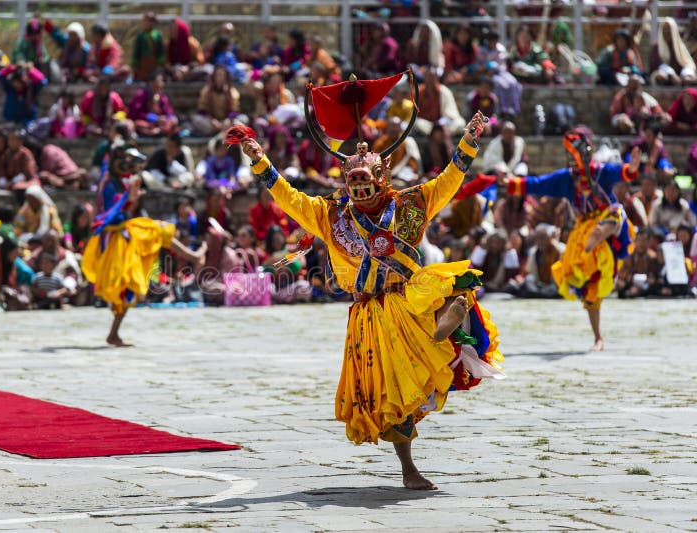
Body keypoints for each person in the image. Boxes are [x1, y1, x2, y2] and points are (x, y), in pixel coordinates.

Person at [236, 75, 502, 490]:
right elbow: (287, 196)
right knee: (395, 392)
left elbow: (448, 182)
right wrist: (259, 159)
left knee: (455, 285)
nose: (358, 188)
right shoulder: (330, 215)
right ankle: (408, 468)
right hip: (372, 315)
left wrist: (467, 142)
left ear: (381, 177)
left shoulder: (409, 203)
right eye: (352, 182)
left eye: (365, 180)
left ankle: (445, 326)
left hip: (408, 297)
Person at [502, 128, 642, 351]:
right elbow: (538, 183)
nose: (573, 159)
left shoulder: (601, 172)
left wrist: (632, 168)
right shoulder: (567, 179)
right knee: (589, 286)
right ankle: (598, 338)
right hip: (584, 229)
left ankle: (598, 237)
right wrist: (512, 182)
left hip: (610, 220)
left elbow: (622, 172)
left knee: (613, 216)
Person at [81, 142, 206, 346]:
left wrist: (132, 198)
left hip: (125, 233)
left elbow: (124, 211)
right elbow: (109, 216)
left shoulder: (120, 182)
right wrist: (128, 200)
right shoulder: (109, 184)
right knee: (128, 284)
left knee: (157, 230)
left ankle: (193, 256)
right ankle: (114, 334)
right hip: (114, 238)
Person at [649, 17, 696, 86]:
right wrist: (670, 73)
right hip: (665, 76)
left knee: (690, 77)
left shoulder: (679, 46)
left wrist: (686, 74)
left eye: (669, 30)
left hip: (680, 76)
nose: (667, 32)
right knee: (661, 75)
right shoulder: (657, 46)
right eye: (665, 30)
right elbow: (655, 64)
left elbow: (687, 62)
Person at [131, 12, 165, 82]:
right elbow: (136, 52)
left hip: (154, 65)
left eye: (150, 21)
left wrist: (161, 64)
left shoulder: (157, 35)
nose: (147, 23)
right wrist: (135, 65)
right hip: (142, 66)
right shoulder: (140, 36)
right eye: (145, 20)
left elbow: (160, 52)